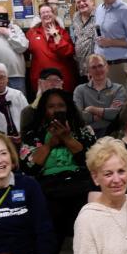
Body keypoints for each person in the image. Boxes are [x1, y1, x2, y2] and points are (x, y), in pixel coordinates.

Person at [21, 87, 96, 239]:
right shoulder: (33, 133)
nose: (56, 110)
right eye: (51, 106)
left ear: (68, 108)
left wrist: (68, 138)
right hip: (48, 185)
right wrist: (49, 144)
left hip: (79, 182)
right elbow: (29, 167)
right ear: (44, 110)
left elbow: (91, 161)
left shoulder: (83, 130)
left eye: (61, 106)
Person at [25, 1, 76, 93]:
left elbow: (68, 52)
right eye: (43, 13)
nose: (46, 14)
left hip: (60, 80)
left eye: (48, 12)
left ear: (53, 14)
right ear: (40, 16)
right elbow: (23, 49)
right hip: (40, 80)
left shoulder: (62, 32)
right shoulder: (32, 33)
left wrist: (56, 35)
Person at [75, 53, 127, 135]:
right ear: (88, 71)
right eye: (93, 67)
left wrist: (91, 109)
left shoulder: (119, 89)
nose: (98, 70)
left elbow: (117, 115)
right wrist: (100, 115)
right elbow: (77, 115)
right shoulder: (80, 90)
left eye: (100, 66)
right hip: (86, 133)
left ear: (107, 67)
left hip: (111, 133)